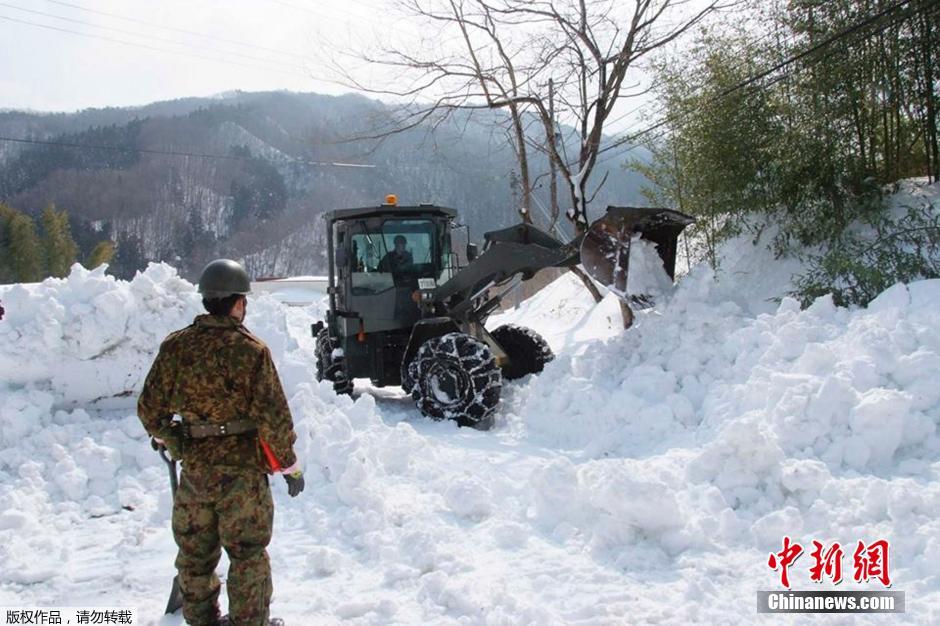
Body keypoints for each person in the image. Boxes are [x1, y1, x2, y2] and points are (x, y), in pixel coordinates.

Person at [137, 258, 303, 626]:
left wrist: (177, 441)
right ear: (237, 303)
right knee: (247, 555)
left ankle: (202, 621)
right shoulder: (251, 351)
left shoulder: (176, 347)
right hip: (242, 475)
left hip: (195, 473)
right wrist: (290, 467)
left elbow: (150, 410)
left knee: (195, 555)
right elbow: (274, 420)